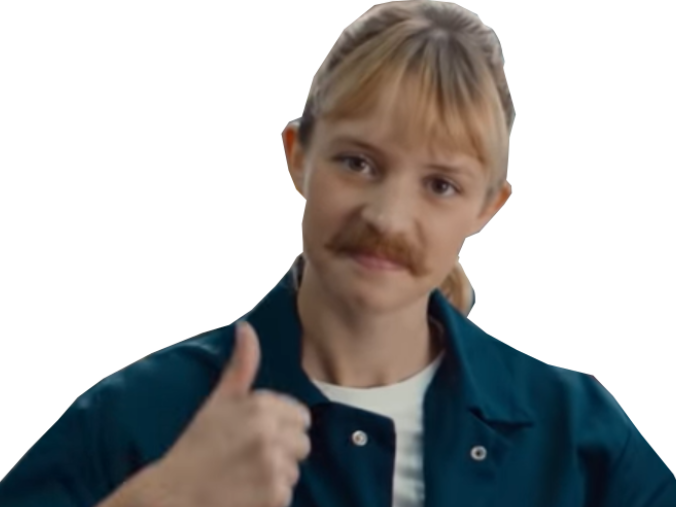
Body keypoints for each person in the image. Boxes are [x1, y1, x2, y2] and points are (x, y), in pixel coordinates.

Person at [1, 1, 674, 506]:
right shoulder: (134, 419)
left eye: (440, 184)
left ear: (486, 208)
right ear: (298, 156)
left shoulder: (580, 436)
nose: (387, 216)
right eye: (357, 162)